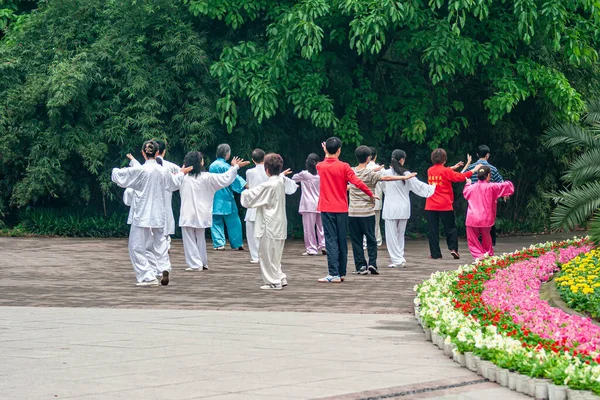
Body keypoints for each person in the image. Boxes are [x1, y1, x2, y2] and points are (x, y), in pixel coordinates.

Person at [111, 141, 188, 286]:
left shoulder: (140, 170)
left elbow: (119, 176)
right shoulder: (163, 170)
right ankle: (164, 267)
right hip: (159, 212)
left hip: (142, 213)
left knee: (136, 246)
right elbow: (173, 183)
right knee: (160, 243)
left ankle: (148, 276)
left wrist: (115, 170)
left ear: (143, 153)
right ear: (158, 153)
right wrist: (181, 174)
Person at [172, 151, 249, 271]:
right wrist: (235, 167)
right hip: (202, 213)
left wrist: (180, 173)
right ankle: (202, 262)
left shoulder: (183, 178)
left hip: (188, 212)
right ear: (200, 163)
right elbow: (226, 178)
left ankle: (195, 264)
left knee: (189, 239)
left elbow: (171, 183)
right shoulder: (207, 177)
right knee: (200, 238)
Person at [316, 137, 377, 284]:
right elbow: (357, 182)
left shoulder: (320, 166)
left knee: (330, 240)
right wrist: (370, 193)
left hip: (326, 207)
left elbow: (326, 162)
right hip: (342, 208)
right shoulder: (344, 166)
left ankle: (333, 273)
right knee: (342, 239)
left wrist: (326, 153)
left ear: (327, 150)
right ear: (339, 150)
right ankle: (341, 272)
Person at [348, 146, 415, 276]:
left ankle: (361, 266)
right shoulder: (370, 174)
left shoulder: (351, 172)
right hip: (367, 212)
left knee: (356, 241)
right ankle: (372, 263)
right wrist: (403, 178)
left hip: (353, 212)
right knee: (371, 238)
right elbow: (387, 178)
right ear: (369, 158)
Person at [241, 153, 294, 290]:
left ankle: (273, 281)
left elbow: (250, 196)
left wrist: (243, 191)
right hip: (280, 222)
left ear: (267, 170)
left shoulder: (269, 185)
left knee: (266, 254)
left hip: (269, 223)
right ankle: (280, 277)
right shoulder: (280, 182)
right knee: (275, 255)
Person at [381, 150, 436, 268]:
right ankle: (399, 257)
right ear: (402, 160)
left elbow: (381, 186)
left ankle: (397, 260)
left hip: (391, 208)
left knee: (392, 236)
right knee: (400, 235)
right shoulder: (406, 173)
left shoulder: (386, 173)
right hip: (403, 207)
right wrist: (432, 188)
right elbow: (418, 186)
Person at [425, 148, 481, 260]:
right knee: (450, 228)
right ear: (444, 159)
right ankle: (453, 249)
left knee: (433, 230)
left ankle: (435, 254)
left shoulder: (430, 170)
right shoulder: (446, 171)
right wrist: (474, 169)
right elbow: (460, 177)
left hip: (430, 205)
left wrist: (454, 167)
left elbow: (442, 171)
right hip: (445, 205)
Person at [463, 166, 514, 260]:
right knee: (487, 237)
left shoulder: (471, 188)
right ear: (488, 176)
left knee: (473, 240)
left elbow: (466, 193)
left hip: (472, 217)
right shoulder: (492, 187)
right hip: (486, 218)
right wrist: (508, 183)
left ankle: (479, 255)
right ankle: (488, 253)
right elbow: (506, 186)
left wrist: (468, 184)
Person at [209, 144, 247, 251]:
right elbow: (235, 179)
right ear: (227, 154)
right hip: (226, 197)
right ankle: (237, 243)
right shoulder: (226, 167)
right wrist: (246, 186)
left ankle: (219, 244)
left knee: (216, 221)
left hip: (215, 196)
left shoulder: (212, 166)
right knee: (234, 221)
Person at [465, 144, 504, 246]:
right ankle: (490, 242)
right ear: (488, 155)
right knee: (488, 220)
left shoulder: (472, 167)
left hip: (474, 200)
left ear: (477, 154)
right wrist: (504, 194)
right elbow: (500, 182)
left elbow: (462, 176)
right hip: (488, 200)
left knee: (474, 219)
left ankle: (477, 241)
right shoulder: (492, 168)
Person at [292, 153, 326, 256]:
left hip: (308, 204)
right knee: (321, 227)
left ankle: (311, 249)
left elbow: (293, 178)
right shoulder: (321, 174)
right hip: (320, 203)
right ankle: (323, 245)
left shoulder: (304, 174)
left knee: (309, 228)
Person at [155, 140, 181, 250]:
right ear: (164, 152)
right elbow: (181, 176)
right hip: (166, 196)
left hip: (154, 197)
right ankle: (166, 243)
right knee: (166, 215)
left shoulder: (145, 166)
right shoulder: (171, 166)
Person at [244, 149, 268, 264]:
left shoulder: (249, 172)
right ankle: (265, 255)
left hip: (253, 204)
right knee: (265, 233)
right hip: (265, 204)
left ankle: (255, 256)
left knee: (252, 232)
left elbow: (248, 185)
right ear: (264, 158)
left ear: (253, 159)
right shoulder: (269, 171)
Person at [367, 146, 383, 247]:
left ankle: (365, 242)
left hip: (364, 200)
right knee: (376, 223)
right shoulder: (380, 169)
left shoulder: (362, 169)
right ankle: (377, 241)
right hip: (377, 198)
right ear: (375, 157)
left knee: (365, 222)